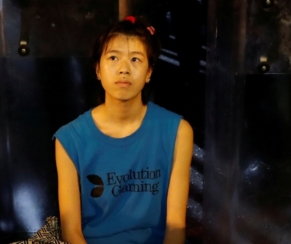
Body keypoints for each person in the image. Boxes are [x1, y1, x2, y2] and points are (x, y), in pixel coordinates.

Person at [54, 16, 193, 244]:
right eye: (113, 57)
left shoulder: (178, 131)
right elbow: (72, 231)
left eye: (136, 59)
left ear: (149, 72)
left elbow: (175, 226)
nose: (124, 69)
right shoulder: (70, 139)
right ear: (98, 69)